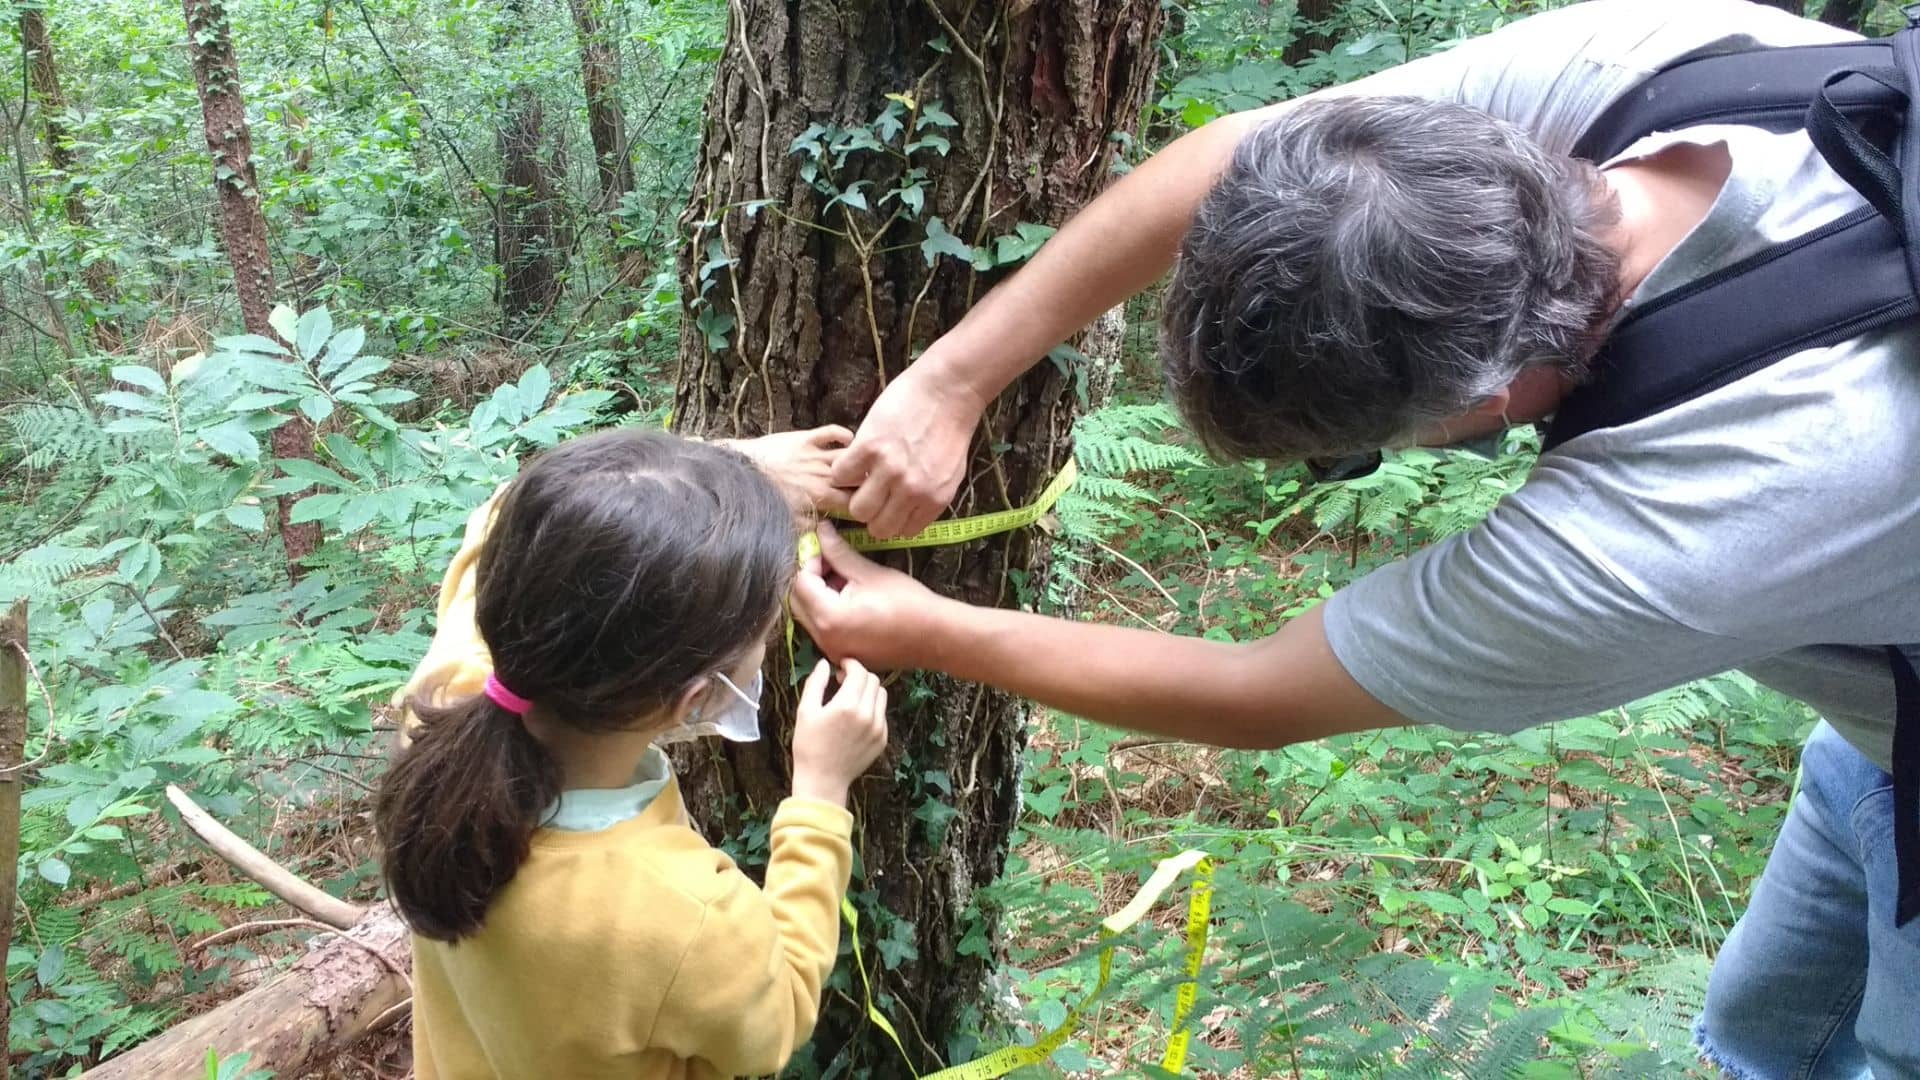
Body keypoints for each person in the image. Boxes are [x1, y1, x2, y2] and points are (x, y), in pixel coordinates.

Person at [797, 0, 1920, 1075]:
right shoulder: (1650, 68)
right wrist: (953, 378)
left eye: (1352, 453)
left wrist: (926, 627)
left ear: (1478, 403)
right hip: (1875, 720)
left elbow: (1257, 694)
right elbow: (1232, 154)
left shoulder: (1691, 519)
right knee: (1770, 1032)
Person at [375, 427, 889, 1080]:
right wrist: (819, 792)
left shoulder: (442, 709)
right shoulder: (681, 912)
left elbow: (507, 512)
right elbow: (778, 1018)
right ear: (695, 699)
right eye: (766, 629)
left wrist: (726, 473)